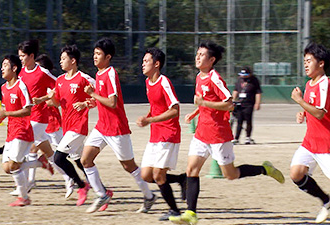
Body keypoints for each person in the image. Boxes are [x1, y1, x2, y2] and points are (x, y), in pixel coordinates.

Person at [169, 40, 285, 224]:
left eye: (202, 55)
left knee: (230, 175)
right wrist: (196, 112)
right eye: (197, 54)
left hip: (218, 134)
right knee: (191, 169)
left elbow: (229, 104)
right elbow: (205, 101)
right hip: (201, 133)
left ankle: (265, 169)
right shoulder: (199, 76)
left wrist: (203, 104)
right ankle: (191, 213)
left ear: (212, 59)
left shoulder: (215, 78)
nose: (197, 57)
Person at [82, 37, 155, 213]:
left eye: (99, 54)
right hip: (102, 126)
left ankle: (149, 196)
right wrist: (91, 101)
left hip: (116, 128)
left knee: (129, 166)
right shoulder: (99, 74)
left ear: (108, 57)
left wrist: (93, 93)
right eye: (94, 53)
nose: (95, 57)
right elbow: (103, 100)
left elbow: (113, 102)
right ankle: (102, 194)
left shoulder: (110, 73)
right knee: (85, 159)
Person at [0, 54, 52, 206]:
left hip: (23, 131)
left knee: (14, 166)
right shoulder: (4, 88)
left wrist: (6, 113)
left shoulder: (21, 86)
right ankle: (40, 163)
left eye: (5, 65)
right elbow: (7, 109)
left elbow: (27, 110)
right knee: (7, 168)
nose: (2, 68)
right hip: (11, 132)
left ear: (14, 68)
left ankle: (24, 197)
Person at [136, 47, 187, 221]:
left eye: (146, 61)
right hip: (155, 135)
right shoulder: (148, 83)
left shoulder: (164, 82)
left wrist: (150, 120)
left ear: (156, 64)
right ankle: (181, 179)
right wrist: (147, 118)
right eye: (142, 61)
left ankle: (175, 211)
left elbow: (174, 110)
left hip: (169, 134)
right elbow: (156, 107)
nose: (142, 64)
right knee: (146, 176)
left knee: (158, 175)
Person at [47, 44, 94, 204]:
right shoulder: (60, 80)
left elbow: (98, 97)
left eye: (64, 58)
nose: (61, 62)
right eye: (60, 59)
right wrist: (51, 98)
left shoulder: (84, 78)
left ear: (73, 61)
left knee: (59, 158)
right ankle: (101, 188)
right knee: (81, 161)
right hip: (66, 127)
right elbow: (56, 103)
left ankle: (81, 186)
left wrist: (85, 104)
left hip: (79, 126)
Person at [290, 42, 330, 223]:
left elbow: (320, 113)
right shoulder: (309, 84)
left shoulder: (324, 83)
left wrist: (300, 101)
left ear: (321, 63)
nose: (305, 64)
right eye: (304, 61)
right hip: (310, 142)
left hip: (326, 144)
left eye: (309, 61)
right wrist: (303, 113)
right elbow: (312, 109)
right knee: (296, 174)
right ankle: (326, 201)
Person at [17, 40, 57, 191]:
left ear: (31, 56)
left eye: (23, 56)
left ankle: (25, 186)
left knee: (23, 149)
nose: (20, 58)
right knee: (51, 154)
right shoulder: (20, 72)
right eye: (19, 55)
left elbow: (58, 86)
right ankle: (71, 179)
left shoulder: (42, 72)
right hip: (26, 118)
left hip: (40, 118)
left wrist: (44, 99)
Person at [232, 66, 262, 144]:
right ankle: (236, 138)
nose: (243, 76)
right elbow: (235, 90)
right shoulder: (239, 80)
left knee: (248, 121)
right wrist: (233, 100)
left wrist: (257, 103)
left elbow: (258, 92)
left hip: (249, 103)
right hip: (239, 103)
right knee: (239, 121)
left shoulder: (254, 80)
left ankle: (248, 137)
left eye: (245, 74)